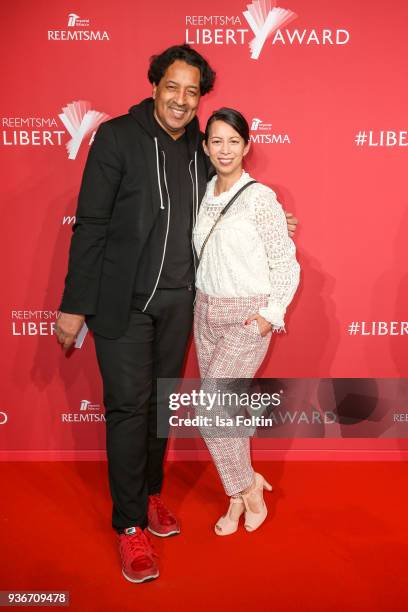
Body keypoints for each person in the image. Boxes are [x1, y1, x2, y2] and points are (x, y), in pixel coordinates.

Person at [55, 44, 298, 583]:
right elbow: (91, 224)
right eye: (173, 87)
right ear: (155, 85)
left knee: (159, 407)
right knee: (128, 408)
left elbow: (230, 205)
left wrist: (277, 226)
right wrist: (74, 305)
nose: (182, 100)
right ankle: (128, 527)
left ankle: (150, 497)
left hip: (180, 302)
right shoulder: (116, 137)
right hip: (121, 303)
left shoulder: (199, 144)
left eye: (193, 91)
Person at [193, 108, 300, 535]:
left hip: (246, 316)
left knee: (210, 411)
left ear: (247, 146)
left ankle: (248, 487)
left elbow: (285, 264)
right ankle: (237, 497)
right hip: (204, 311)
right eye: (216, 141)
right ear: (205, 146)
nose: (224, 149)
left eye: (233, 141)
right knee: (229, 414)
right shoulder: (203, 194)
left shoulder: (261, 198)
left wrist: (268, 317)